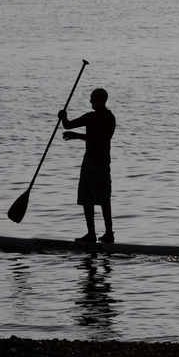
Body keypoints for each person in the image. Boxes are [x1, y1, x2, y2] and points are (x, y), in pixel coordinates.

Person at [59, 88, 116, 243]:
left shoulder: (91, 117)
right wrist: (75, 133)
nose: (90, 101)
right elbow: (100, 139)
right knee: (104, 199)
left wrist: (63, 117)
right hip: (104, 162)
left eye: (92, 98)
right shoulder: (111, 118)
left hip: (91, 162)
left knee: (88, 198)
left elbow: (68, 125)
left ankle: (92, 234)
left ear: (99, 100)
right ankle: (108, 233)